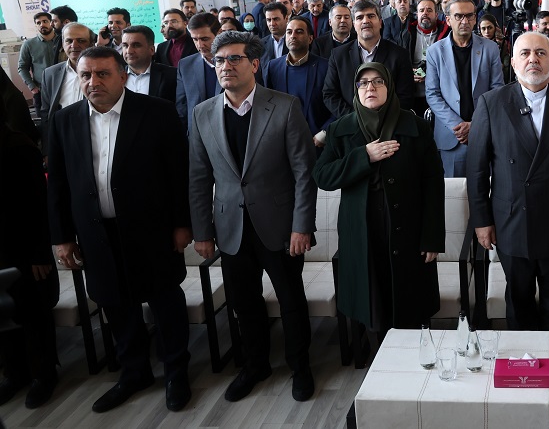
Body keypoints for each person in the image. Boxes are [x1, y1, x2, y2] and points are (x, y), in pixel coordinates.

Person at [48, 46, 192, 413]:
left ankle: (176, 372)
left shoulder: (156, 112)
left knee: (165, 303)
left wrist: (182, 224)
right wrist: (62, 237)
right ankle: (134, 372)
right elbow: (58, 184)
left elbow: (179, 173)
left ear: (123, 76)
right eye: (86, 75)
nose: (93, 81)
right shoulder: (64, 120)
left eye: (103, 74)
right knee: (115, 304)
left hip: (152, 230)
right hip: (96, 233)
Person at [467, 31, 549, 388]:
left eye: (541, 53)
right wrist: (481, 221)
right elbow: (477, 170)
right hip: (511, 220)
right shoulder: (491, 103)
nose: (533, 59)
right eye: (525, 53)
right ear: (512, 62)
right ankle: (525, 368)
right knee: (519, 298)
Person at [189, 31, 318, 403]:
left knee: (291, 301)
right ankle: (255, 365)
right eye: (219, 60)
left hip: (280, 226)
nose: (225, 66)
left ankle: (300, 366)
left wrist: (301, 226)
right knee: (243, 304)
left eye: (234, 59)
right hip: (230, 227)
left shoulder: (284, 106)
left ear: (255, 64)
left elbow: (304, 173)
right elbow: (198, 177)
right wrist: (202, 231)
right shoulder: (203, 113)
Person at [312, 62, 445, 336]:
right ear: (356, 90)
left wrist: (432, 237)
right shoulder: (340, 129)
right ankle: (378, 357)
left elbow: (433, 184)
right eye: (363, 83)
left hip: (409, 229)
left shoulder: (416, 127)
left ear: (389, 86)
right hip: (361, 229)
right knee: (372, 304)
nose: (370, 87)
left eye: (377, 81)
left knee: (410, 305)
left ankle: (413, 356)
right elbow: (322, 176)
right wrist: (364, 156)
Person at [0, 97, 57, 409]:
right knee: (4, 314)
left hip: (25, 249)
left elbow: (38, 205)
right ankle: (14, 373)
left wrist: (40, 254)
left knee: (32, 313)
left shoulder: (19, 147)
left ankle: (42, 375)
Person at [425, 0, 504, 177]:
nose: (465, 21)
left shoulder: (490, 48)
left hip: (484, 132)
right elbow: (432, 94)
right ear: (448, 20)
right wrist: (459, 125)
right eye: (459, 16)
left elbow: (497, 90)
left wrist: (475, 124)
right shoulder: (434, 52)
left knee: (487, 188)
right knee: (454, 192)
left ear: (475, 18)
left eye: (469, 16)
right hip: (452, 135)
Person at [322, 0, 416, 120]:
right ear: (354, 24)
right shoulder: (338, 55)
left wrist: (381, 120)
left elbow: (405, 96)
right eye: (360, 17)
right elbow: (330, 94)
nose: (366, 21)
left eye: (371, 16)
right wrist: (355, 119)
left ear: (380, 22)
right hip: (351, 122)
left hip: (389, 123)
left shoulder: (400, 54)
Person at [264, 16, 332, 146]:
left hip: (316, 141)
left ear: (310, 38)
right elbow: (268, 104)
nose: (293, 36)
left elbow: (336, 105)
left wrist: (325, 132)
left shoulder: (326, 67)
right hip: (283, 141)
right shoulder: (273, 67)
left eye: (299, 32)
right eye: (289, 32)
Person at [40, 23, 93, 151]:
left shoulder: (103, 73)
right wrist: (47, 150)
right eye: (69, 41)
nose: (74, 45)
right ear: (63, 44)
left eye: (81, 41)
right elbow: (46, 114)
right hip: (62, 141)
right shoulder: (50, 74)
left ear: (91, 44)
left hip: (94, 139)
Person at [176, 12, 223, 131]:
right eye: (195, 39)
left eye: (204, 39)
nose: (200, 45)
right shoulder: (185, 65)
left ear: (219, 33)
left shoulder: (236, 62)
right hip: (197, 133)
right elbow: (182, 105)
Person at [17, 11, 60, 116]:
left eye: (45, 21)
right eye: (38, 23)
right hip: (40, 91)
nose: (42, 25)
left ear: (51, 22)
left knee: (63, 121)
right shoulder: (29, 44)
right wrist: (32, 87)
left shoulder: (62, 41)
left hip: (62, 89)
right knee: (43, 121)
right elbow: (22, 67)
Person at [121, 25, 177, 101]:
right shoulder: (115, 76)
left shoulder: (171, 75)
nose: (129, 51)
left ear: (151, 50)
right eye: (125, 45)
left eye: (136, 45)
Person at [479, 13, 512, 83]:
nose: (487, 31)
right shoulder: (476, 43)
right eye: (483, 28)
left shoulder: (502, 42)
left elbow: (505, 61)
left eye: (489, 28)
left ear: (495, 28)